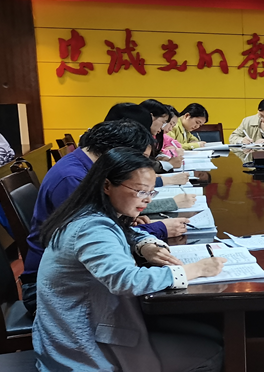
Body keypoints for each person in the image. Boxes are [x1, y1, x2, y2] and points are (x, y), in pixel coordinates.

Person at [33, 147, 226, 372]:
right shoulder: (92, 228)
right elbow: (125, 280)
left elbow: (126, 232)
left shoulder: (89, 212)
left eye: (150, 192)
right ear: (107, 185)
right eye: (139, 192)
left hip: (75, 329)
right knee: (209, 354)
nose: (145, 201)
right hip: (82, 346)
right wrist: (193, 271)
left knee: (210, 333)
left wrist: (144, 245)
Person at [19, 121, 190, 314]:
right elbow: (103, 243)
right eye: (140, 159)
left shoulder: (88, 171)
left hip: (77, 276)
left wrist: (141, 239)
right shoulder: (73, 179)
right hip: (53, 292)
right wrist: (159, 231)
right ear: (118, 155)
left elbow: (111, 230)